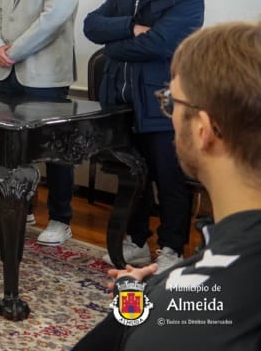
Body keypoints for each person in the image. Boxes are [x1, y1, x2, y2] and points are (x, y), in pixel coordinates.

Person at [73, 21, 261, 350]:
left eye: (171, 103)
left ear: (205, 130)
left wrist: (159, 297)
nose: (169, 115)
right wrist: (137, 293)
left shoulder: (188, 317)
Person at [83, 0, 204, 272]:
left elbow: (161, 44)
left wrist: (114, 47)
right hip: (120, 104)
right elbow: (91, 25)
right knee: (130, 176)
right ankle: (136, 242)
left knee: (169, 179)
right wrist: (130, 27)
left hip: (161, 106)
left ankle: (171, 249)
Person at [0, 0, 81, 246]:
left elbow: (52, 20)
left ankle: (60, 219)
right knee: (11, 149)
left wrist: (11, 51)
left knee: (54, 150)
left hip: (43, 78)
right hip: (7, 73)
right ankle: (19, 207)